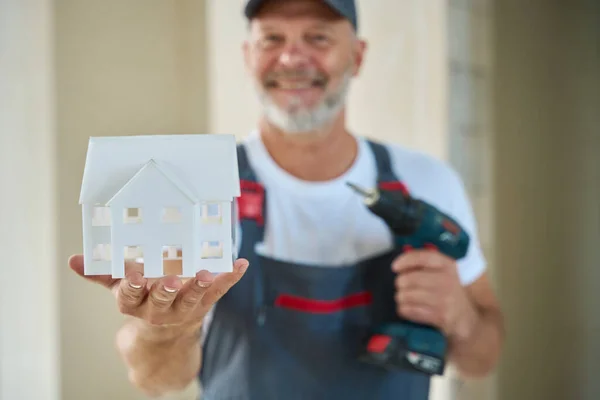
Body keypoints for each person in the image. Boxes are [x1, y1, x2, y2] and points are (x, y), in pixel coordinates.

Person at [69, 0, 505, 398]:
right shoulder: (204, 189)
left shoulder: (428, 182)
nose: (292, 58)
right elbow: (158, 380)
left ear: (357, 56)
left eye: (317, 37)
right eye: (272, 38)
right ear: (247, 57)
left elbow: (482, 360)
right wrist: (169, 330)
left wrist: (462, 319)